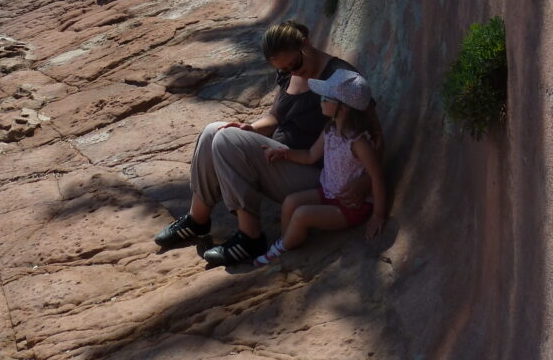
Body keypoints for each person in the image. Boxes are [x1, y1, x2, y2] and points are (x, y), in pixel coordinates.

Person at [153, 18, 384, 266]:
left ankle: (250, 237)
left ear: (304, 43)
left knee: (226, 140)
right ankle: (197, 220)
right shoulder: (289, 74)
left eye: (294, 64)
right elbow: (276, 116)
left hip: (317, 174)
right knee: (214, 130)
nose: (292, 72)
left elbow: (375, 137)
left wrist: (364, 182)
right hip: (286, 157)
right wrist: (251, 128)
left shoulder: (339, 80)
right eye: (284, 70)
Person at [254, 69, 386, 265]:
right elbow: (310, 155)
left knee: (301, 215)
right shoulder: (330, 130)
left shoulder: (358, 143)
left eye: (326, 97)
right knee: (290, 202)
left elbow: (377, 177)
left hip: (349, 207)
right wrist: (285, 153)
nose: (321, 100)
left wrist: (378, 215)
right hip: (328, 192)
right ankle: (289, 239)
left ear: (343, 108)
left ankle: (280, 248)